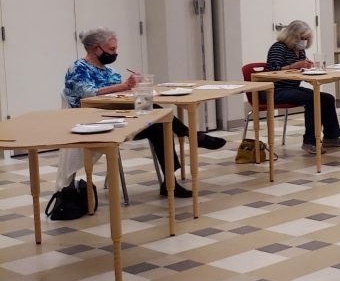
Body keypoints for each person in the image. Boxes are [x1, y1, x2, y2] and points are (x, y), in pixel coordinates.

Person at [64, 28, 226, 198]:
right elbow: (87, 93)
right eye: (112, 49)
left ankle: (170, 181)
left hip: (119, 116)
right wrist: (124, 86)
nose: (115, 53)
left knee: (160, 124)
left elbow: (122, 94)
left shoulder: (107, 71)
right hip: (93, 120)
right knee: (159, 115)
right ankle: (191, 135)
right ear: (97, 49)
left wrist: (137, 86)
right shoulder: (78, 68)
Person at [266, 20, 340, 154]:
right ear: (293, 36)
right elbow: (272, 70)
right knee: (313, 99)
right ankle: (310, 142)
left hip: (291, 88)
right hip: (276, 90)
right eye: (302, 38)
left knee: (327, 98)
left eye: (306, 39)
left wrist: (307, 66)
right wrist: (294, 66)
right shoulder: (279, 47)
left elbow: (299, 67)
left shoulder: (299, 50)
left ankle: (331, 137)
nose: (304, 41)